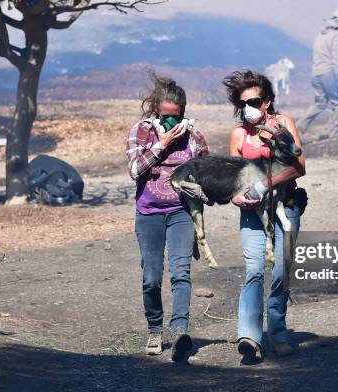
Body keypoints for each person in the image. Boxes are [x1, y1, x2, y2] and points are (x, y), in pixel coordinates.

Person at [222, 70, 306, 360]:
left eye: (255, 101)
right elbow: (231, 177)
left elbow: (299, 167)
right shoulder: (238, 135)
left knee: (281, 272)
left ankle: (278, 331)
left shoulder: (283, 125)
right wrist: (234, 197)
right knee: (254, 270)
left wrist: (265, 184)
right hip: (252, 212)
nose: (249, 107)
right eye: (243, 102)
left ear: (267, 102)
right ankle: (249, 336)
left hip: (287, 207)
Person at [125, 72, 209, 361]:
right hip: (149, 214)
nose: (172, 122)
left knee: (181, 273)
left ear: (184, 113)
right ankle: (154, 328)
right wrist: (160, 145)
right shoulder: (142, 131)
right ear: (156, 112)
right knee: (151, 277)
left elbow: (205, 173)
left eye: (177, 116)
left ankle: (180, 331)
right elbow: (135, 170)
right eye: (166, 116)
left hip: (181, 214)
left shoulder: (194, 136)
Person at [296, 8, 338, 142]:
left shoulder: (321, 33)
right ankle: (334, 132)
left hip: (316, 73)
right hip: (328, 72)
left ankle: (298, 129)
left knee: (320, 103)